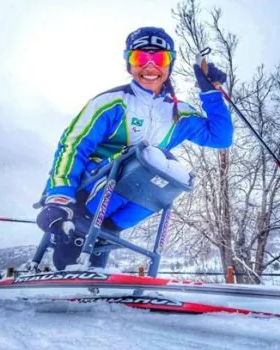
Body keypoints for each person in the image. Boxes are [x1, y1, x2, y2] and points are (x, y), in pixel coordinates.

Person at [36, 26, 233, 267]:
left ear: (169, 64)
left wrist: (210, 91)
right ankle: (72, 250)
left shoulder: (178, 113)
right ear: (129, 63)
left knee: (166, 173)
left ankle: (103, 254)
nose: (150, 67)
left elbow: (220, 137)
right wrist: (59, 197)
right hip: (88, 194)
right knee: (68, 260)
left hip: (132, 195)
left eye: (159, 58)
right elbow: (72, 146)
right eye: (140, 58)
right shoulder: (111, 103)